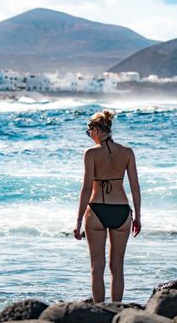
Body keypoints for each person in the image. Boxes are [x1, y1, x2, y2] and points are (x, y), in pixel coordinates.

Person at [74, 109, 142, 303]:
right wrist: (137, 217)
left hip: (96, 210)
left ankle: (99, 311)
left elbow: (86, 188)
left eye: (90, 133)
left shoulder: (90, 154)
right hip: (122, 211)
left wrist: (78, 220)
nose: (90, 138)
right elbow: (135, 188)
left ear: (96, 129)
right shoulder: (127, 152)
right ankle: (117, 311)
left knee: (97, 267)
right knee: (117, 267)